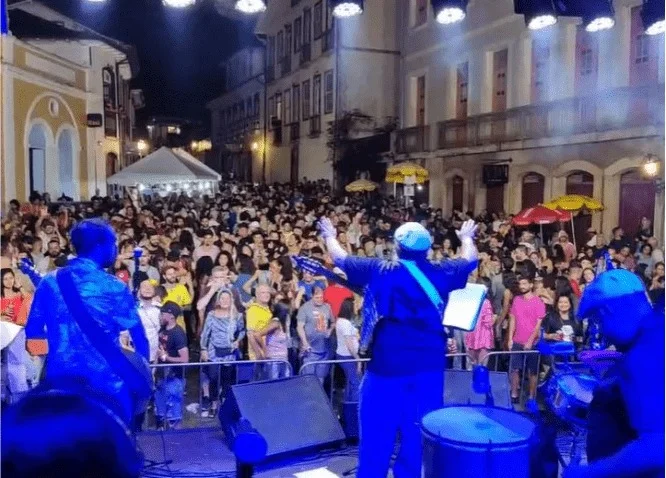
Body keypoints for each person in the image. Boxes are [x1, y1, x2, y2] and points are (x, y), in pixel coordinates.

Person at [319, 217, 478, 478]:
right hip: (429, 367)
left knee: (376, 432)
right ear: (428, 249)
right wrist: (467, 238)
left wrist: (329, 234)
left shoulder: (381, 269)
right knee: (418, 433)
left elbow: (339, 258)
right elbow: (469, 260)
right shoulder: (442, 272)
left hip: (387, 366)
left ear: (396, 246)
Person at [25, 219, 149, 426]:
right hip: (108, 388)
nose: (116, 249)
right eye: (114, 243)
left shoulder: (49, 282)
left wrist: (56, 354)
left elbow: (33, 332)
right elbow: (140, 338)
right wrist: (143, 377)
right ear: (101, 246)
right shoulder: (113, 287)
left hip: (60, 386)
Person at [563, 269, 665, 478]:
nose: (604, 332)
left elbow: (657, 449)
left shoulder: (643, 356)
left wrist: (588, 473)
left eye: (599, 321)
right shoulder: (658, 330)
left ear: (607, 311)